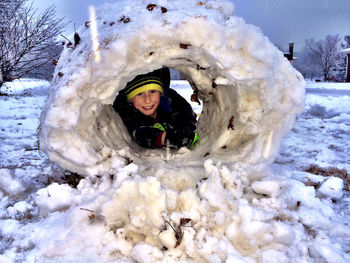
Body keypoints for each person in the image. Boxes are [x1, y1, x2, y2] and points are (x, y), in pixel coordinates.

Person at [113, 67, 199, 149]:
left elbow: (188, 117)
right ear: (130, 99)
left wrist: (180, 130)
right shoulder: (125, 109)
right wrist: (164, 138)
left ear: (161, 93)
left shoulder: (171, 100)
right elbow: (140, 133)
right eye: (139, 94)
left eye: (152, 91)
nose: (147, 100)